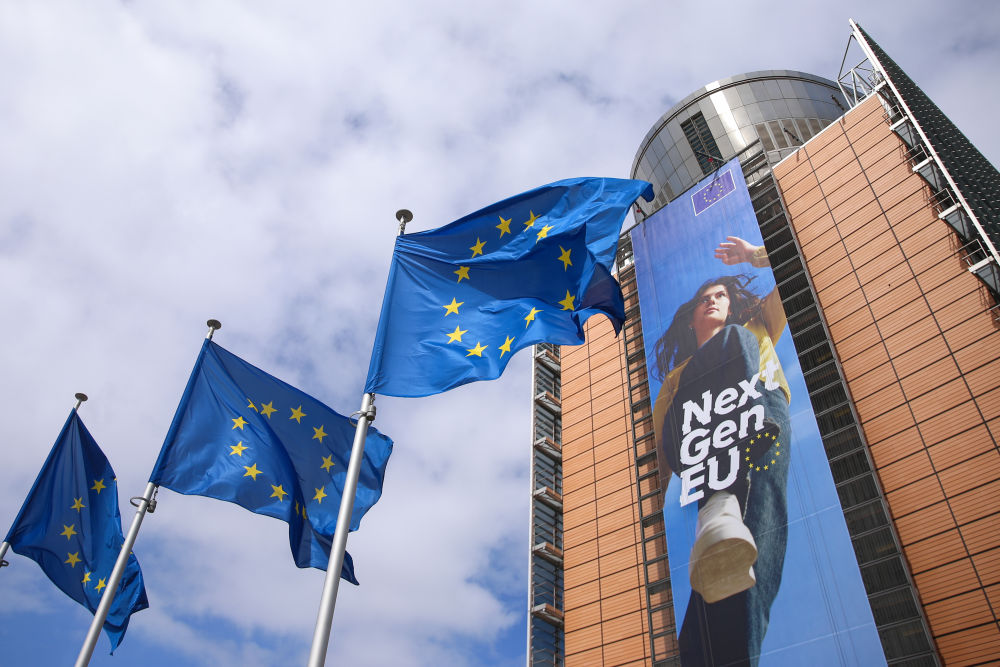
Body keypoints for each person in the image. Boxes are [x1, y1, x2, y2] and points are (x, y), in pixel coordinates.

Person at [651, 236, 791, 666]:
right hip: (701, 437)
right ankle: (718, 501)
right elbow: (659, 456)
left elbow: (797, 266)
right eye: (704, 299)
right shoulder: (676, 378)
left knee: (747, 546)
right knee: (727, 522)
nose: (712, 301)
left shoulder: (756, 327)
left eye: (720, 296)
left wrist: (754, 256)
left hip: (761, 415)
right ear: (691, 317)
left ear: (732, 305)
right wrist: (649, 514)